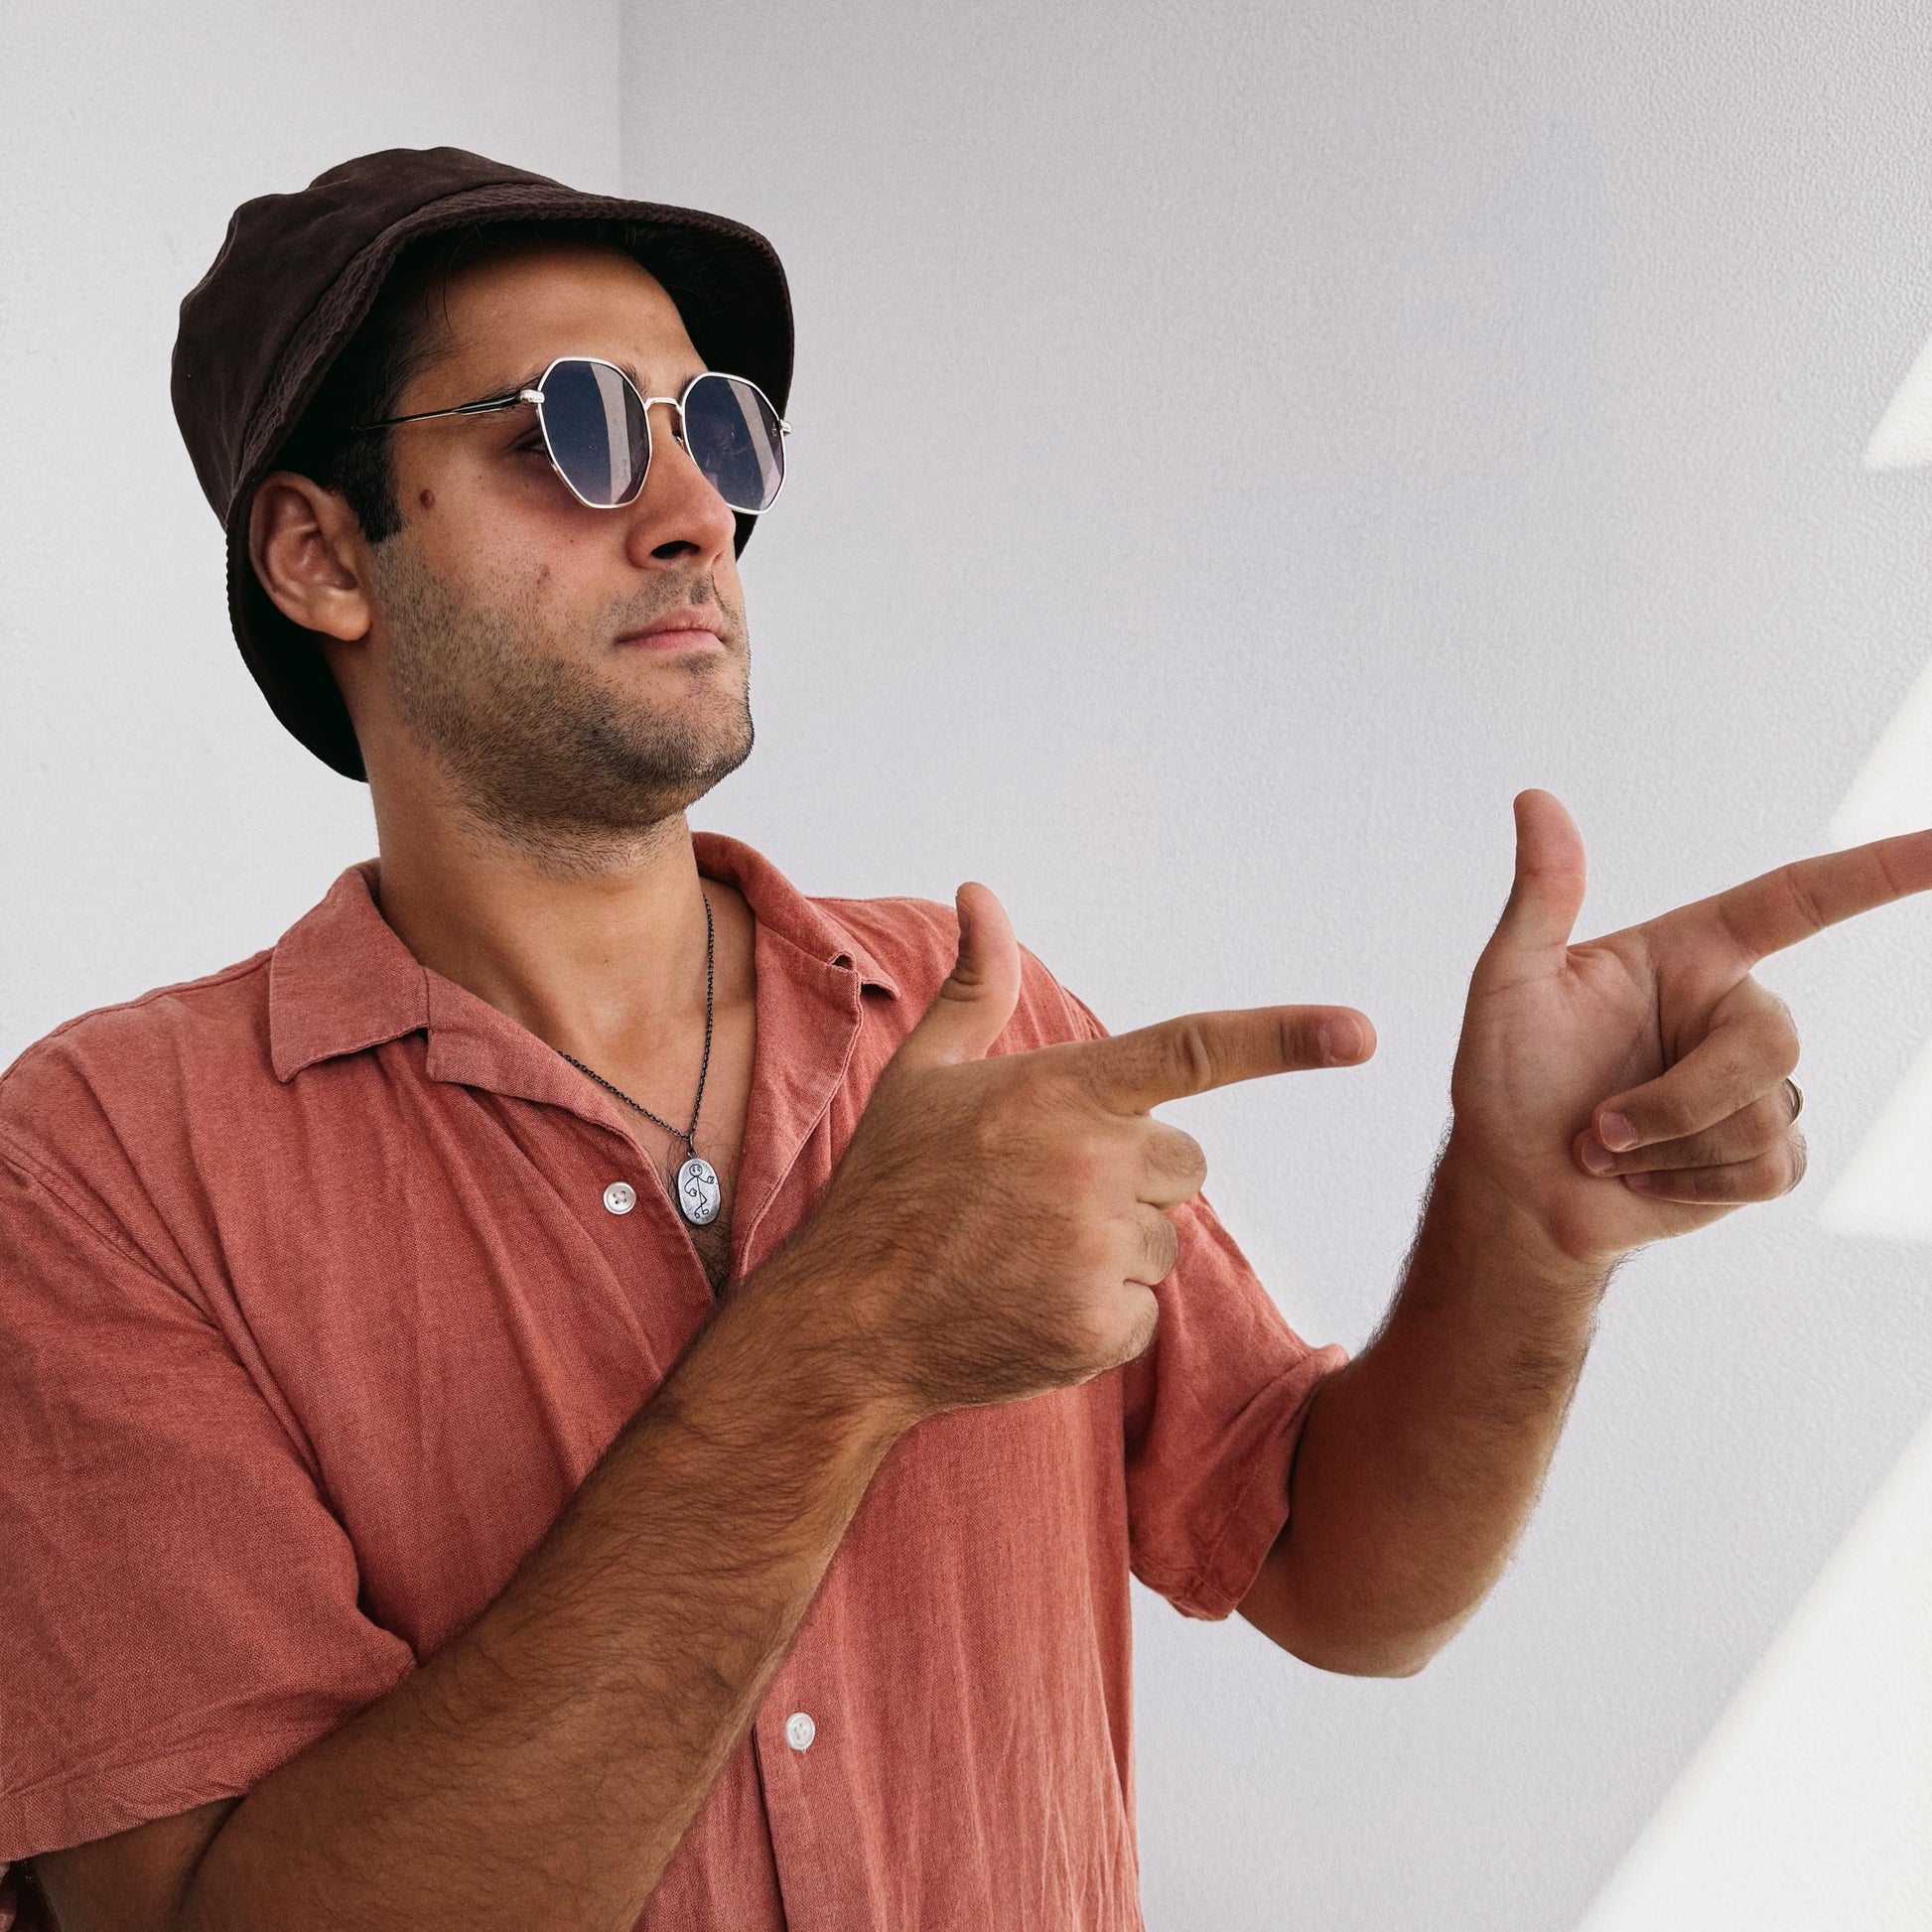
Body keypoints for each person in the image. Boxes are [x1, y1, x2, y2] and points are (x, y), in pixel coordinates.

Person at [1, 146, 1925, 1932]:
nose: (689, 515)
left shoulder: (971, 1014)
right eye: (565, 434)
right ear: (322, 555)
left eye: (714, 433)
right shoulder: (104, 1165)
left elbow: (1340, 1580)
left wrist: (1527, 1223)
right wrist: (847, 1333)